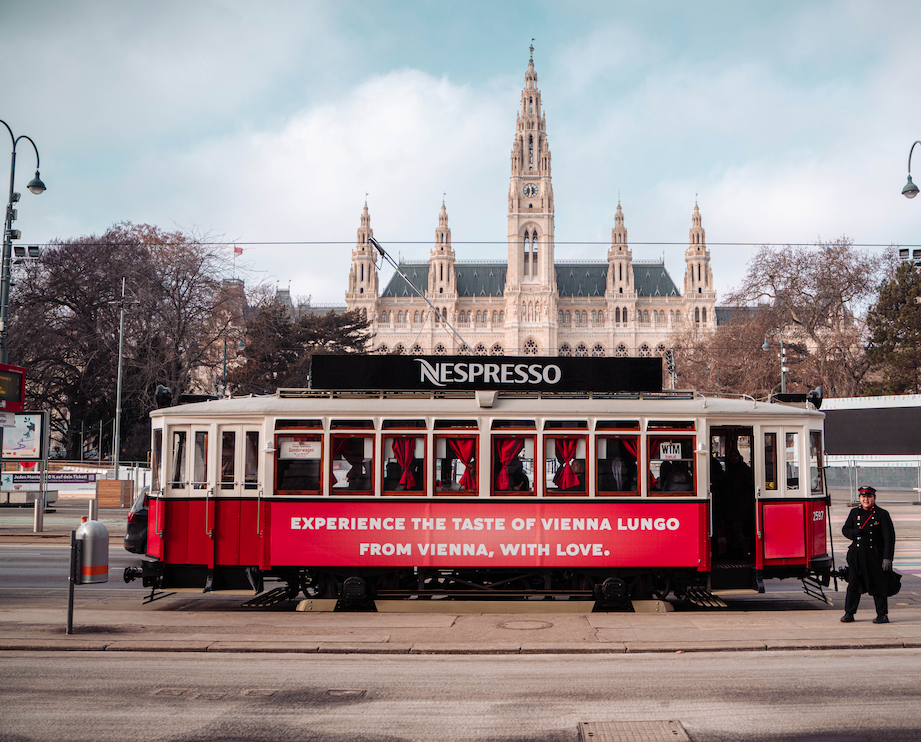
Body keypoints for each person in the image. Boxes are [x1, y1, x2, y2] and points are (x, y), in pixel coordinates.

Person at [841, 486, 896, 623]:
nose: (866, 499)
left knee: (878, 585)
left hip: (874, 556)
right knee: (854, 584)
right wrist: (854, 533)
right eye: (863, 497)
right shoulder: (854, 513)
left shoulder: (882, 514)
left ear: (874, 498)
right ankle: (849, 613)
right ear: (860, 498)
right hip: (857, 556)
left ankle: (882, 615)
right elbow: (845, 529)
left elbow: (889, 538)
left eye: (869, 497)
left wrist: (887, 558)